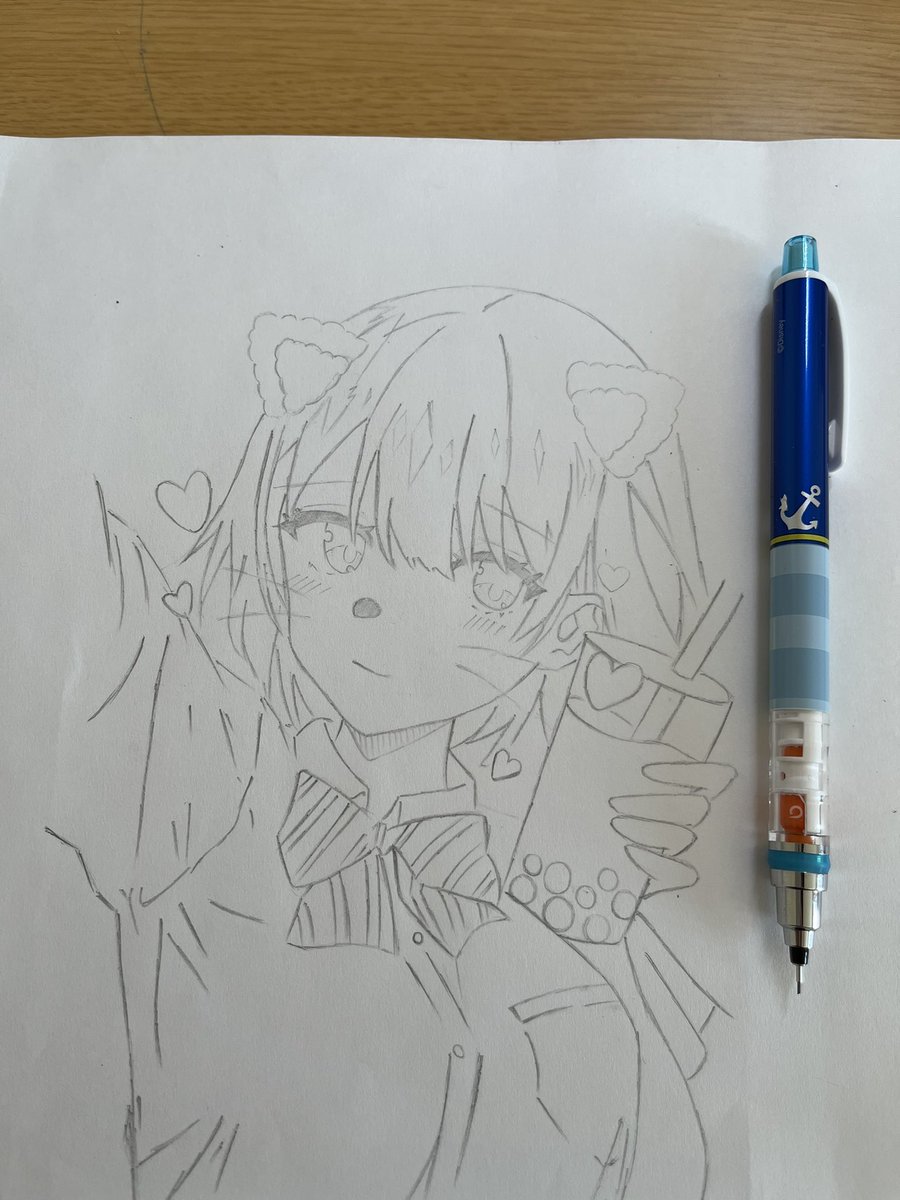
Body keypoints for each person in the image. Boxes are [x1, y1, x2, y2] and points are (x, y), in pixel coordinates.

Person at [55, 287, 735, 1199]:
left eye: (488, 572)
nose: (381, 599)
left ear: (566, 625)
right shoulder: (186, 861)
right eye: (331, 537)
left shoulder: (576, 997)